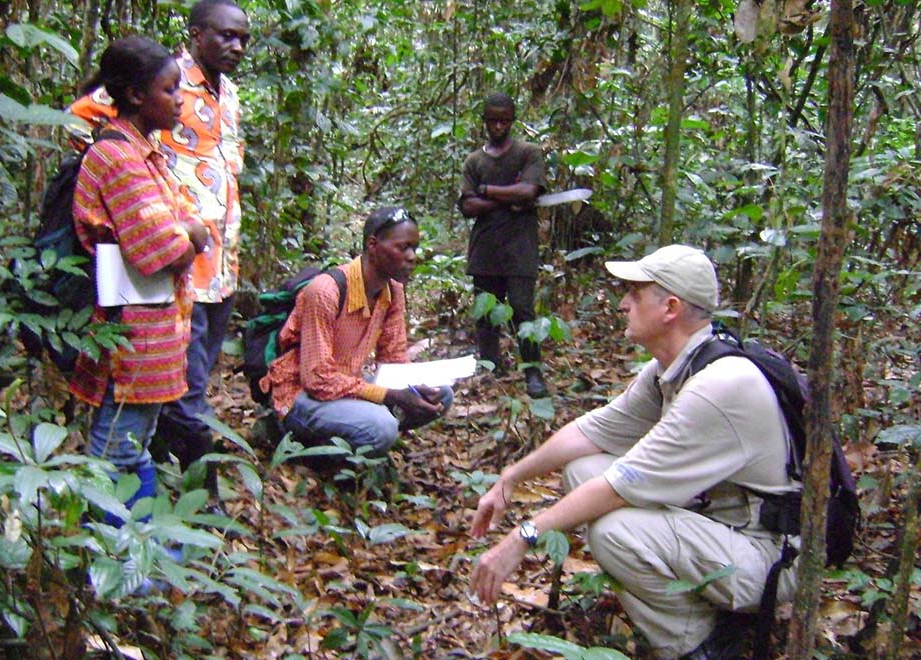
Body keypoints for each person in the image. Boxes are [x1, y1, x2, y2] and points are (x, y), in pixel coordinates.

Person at [468, 245, 801, 660]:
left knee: (615, 532)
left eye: (635, 294)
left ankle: (698, 644)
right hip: (721, 527)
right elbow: (592, 432)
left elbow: (620, 486)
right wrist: (511, 478)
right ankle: (699, 611)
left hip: (769, 557)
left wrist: (523, 536)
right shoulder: (676, 365)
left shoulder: (719, 386)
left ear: (671, 308)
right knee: (583, 469)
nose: (623, 304)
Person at [70, 0, 250, 510]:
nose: (236, 47)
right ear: (196, 35)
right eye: (226, 35)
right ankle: (189, 504)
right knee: (133, 432)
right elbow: (155, 245)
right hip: (147, 295)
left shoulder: (226, 95)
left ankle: (151, 530)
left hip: (208, 274)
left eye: (244, 39)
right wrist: (182, 230)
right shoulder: (130, 132)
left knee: (161, 414)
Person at [69, 36, 209, 525]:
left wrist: (189, 232)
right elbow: (160, 249)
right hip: (129, 337)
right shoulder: (117, 158)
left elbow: (191, 224)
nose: (180, 100)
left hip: (154, 336)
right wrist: (188, 235)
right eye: (169, 90)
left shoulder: (146, 151)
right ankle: (108, 568)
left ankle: (139, 553)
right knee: (115, 452)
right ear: (133, 96)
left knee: (135, 447)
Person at [259, 207, 453, 457]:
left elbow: (393, 361)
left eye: (414, 248)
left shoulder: (392, 291)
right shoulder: (326, 291)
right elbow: (317, 380)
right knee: (381, 428)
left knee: (441, 395)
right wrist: (389, 396)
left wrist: (411, 390)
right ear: (373, 245)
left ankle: (358, 434)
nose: (412, 256)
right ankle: (299, 445)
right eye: (403, 247)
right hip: (301, 395)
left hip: (344, 385)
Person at [457, 93, 549, 398]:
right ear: (484, 120)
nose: (498, 126)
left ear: (512, 119)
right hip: (485, 249)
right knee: (486, 313)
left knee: (523, 309)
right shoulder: (474, 161)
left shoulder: (528, 153)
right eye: (493, 120)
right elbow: (467, 207)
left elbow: (529, 190)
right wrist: (509, 198)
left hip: (520, 247)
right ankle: (489, 367)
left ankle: (533, 372)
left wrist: (487, 191)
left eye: (504, 120)